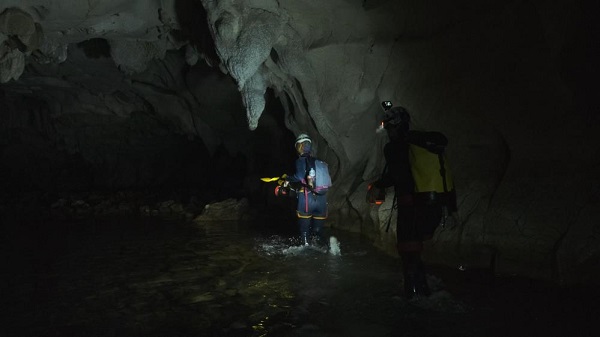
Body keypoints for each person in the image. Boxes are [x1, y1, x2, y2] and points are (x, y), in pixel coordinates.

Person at [372, 104, 458, 299]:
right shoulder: (421, 142)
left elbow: (397, 176)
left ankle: (411, 299)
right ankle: (424, 291)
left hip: (410, 207)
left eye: (389, 128)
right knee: (415, 251)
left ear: (394, 127)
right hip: (432, 206)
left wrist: (378, 184)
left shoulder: (395, 148)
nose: (388, 132)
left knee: (407, 252)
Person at [284, 133, 329, 247]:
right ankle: (326, 250)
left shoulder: (300, 160)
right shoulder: (318, 162)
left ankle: (305, 255)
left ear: (299, 146)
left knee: (304, 232)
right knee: (318, 232)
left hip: (307, 199)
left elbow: (299, 176)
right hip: (321, 199)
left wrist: (288, 178)